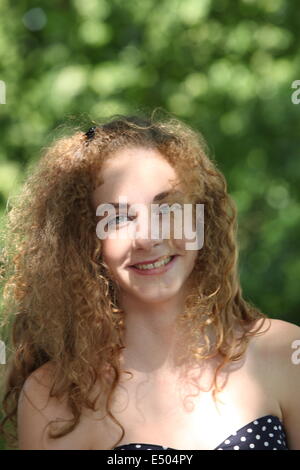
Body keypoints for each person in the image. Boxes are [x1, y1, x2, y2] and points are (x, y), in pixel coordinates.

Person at [0, 113, 299, 450]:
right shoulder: (52, 399)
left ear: (201, 217)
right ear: (84, 241)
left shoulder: (284, 353)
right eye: (118, 218)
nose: (147, 237)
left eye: (167, 208)